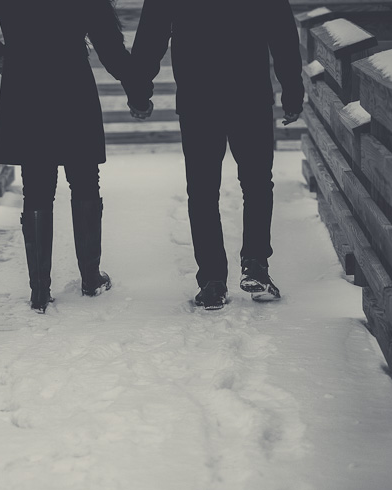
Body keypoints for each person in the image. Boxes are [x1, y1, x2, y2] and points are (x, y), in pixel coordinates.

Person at [0, 0, 143, 313]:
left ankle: (40, 290)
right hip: (73, 86)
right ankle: (90, 278)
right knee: (84, 181)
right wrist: (137, 91)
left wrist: (1, 54)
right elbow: (109, 48)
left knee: (37, 186)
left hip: (26, 87)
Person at [127, 0, 304, 310]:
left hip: (198, 94)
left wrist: (140, 92)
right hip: (249, 90)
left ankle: (212, 281)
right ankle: (256, 265)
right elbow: (282, 31)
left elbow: (152, 33)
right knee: (257, 181)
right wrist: (291, 91)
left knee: (202, 189)